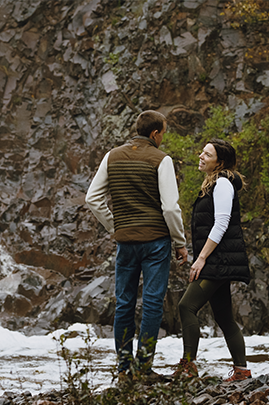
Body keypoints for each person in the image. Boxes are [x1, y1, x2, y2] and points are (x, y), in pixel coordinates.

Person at [85, 110, 187, 383]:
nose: (163, 137)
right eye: (163, 132)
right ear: (155, 133)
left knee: (124, 303)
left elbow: (92, 198)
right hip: (155, 242)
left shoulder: (112, 156)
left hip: (126, 242)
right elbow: (170, 207)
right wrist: (180, 242)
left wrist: (115, 226)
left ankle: (123, 370)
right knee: (153, 303)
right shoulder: (161, 160)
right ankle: (143, 368)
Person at [173, 138, 251, 382]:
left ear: (220, 161)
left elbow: (221, 223)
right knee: (224, 317)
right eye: (202, 152)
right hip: (219, 260)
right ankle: (242, 371)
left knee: (187, 306)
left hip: (218, 262)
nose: (201, 156)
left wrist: (201, 259)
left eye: (207, 154)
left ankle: (189, 366)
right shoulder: (213, 184)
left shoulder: (223, 184)